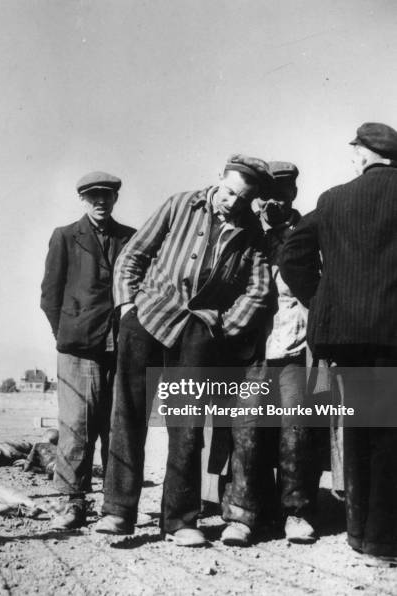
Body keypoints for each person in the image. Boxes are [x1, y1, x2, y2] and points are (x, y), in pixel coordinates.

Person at [95, 154, 272, 546]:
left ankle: (180, 520)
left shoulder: (252, 233)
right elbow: (134, 255)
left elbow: (258, 289)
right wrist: (127, 306)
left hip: (198, 333)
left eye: (242, 198)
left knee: (187, 427)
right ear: (218, 180)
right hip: (147, 318)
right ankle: (117, 512)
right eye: (228, 192)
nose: (231, 202)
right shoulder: (179, 204)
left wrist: (223, 327)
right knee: (128, 416)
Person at [280, 122, 397, 564]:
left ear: (364, 155)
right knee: (389, 436)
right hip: (391, 335)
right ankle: (384, 541)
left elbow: (291, 254)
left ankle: (358, 533)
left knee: (360, 429)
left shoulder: (332, 200)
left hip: (345, 336)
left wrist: (322, 299)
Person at [221, 161, 320, 546]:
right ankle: (241, 517)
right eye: (266, 196)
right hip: (253, 351)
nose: (272, 202)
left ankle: (297, 513)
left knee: (296, 434)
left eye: (282, 193)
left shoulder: (312, 231)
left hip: (296, 348)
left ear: (294, 193)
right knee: (246, 434)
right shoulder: (248, 235)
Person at [40, 171, 136, 530]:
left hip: (121, 347)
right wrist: (67, 333)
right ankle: (72, 503)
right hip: (78, 348)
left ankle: (115, 506)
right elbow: (50, 296)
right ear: (83, 199)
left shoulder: (131, 238)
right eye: (93, 196)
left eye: (107, 196)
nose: (100, 202)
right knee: (76, 427)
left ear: (115, 199)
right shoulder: (65, 237)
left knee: (117, 427)